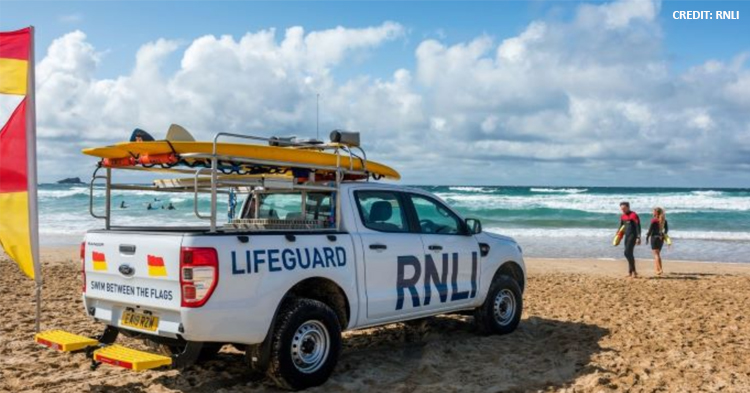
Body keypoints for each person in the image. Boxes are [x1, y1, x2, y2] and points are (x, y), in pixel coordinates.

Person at [618, 201, 641, 278]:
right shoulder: (623, 216)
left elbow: (638, 226)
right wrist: (618, 235)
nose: (623, 210)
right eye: (621, 209)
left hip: (633, 236)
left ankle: (634, 271)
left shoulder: (634, 215)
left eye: (624, 208)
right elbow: (621, 227)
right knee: (629, 253)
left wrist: (638, 237)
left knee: (627, 252)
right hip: (627, 236)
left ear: (628, 207)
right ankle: (631, 272)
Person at [646, 207, 668, 276]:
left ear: (656, 213)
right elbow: (666, 230)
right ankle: (657, 270)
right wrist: (663, 235)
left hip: (654, 238)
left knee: (656, 255)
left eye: (653, 212)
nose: (652, 213)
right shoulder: (664, 220)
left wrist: (647, 237)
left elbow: (650, 230)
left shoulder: (654, 220)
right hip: (661, 239)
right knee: (658, 255)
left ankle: (660, 269)